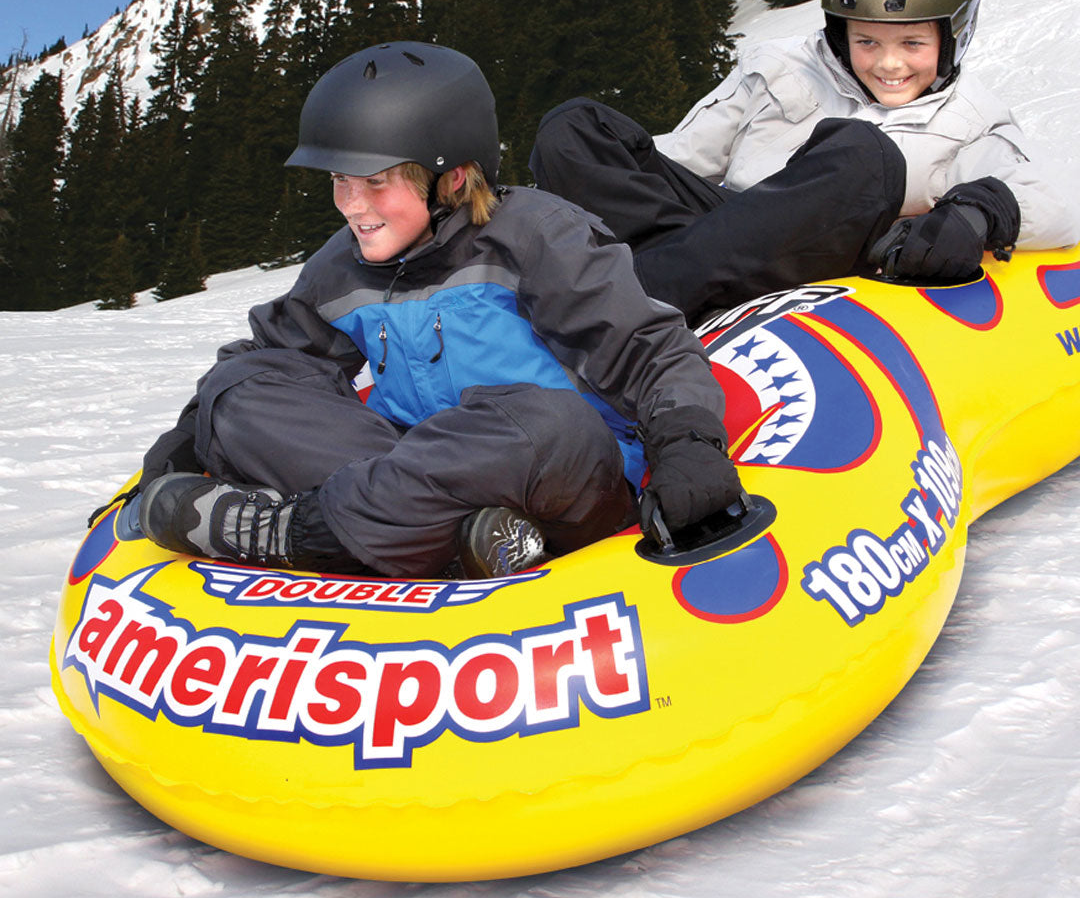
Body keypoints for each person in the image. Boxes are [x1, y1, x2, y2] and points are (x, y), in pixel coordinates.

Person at [133, 42, 743, 579]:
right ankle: (462, 542)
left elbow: (648, 350)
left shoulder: (538, 235)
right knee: (242, 386)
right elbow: (274, 356)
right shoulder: (342, 264)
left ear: (452, 178)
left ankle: (299, 533)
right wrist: (190, 436)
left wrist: (689, 445)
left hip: (560, 478)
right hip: (416, 473)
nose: (352, 205)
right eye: (340, 180)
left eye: (376, 183)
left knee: (545, 423)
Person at [530, 0, 1080, 326]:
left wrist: (977, 212)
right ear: (840, 32)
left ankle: (627, 302)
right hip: (714, 240)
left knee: (865, 154)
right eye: (867, 41)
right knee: (575, 126)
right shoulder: (779, 67)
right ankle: (616, 277)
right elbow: (681, 157)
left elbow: (1060, 199)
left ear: (953, 35)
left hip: (819, 268)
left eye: (912, 44)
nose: (889, 64)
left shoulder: (968, 118)